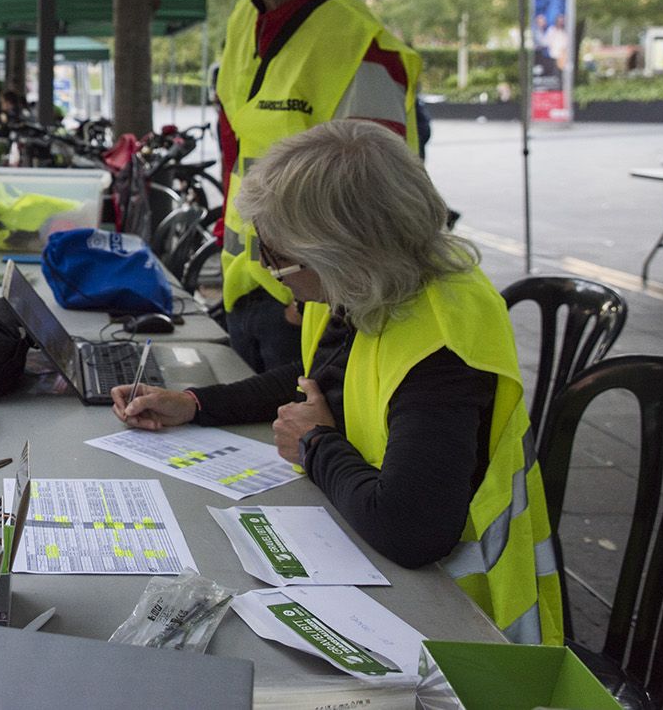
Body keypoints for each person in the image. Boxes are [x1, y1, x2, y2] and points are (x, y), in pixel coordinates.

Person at [114, 121, 562, 647]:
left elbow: (410, 529)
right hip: (384, 572)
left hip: (467, 622)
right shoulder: (376, 287)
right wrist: (193, 403)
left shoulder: (442, 348)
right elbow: (314, 382)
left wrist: (315, 444)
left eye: (278, 255)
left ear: (338, 251)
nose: (265, 267)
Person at [211, 0, 420, 373]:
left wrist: (317, 298)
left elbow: (378, 204)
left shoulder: (356, 42)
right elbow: (239, 155)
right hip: (247, 293)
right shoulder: (245, 19)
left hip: (308, 314)